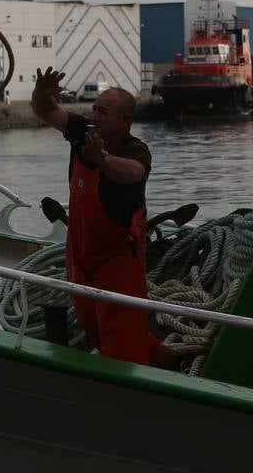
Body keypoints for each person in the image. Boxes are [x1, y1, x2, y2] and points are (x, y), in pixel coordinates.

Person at [30, 67, 169, 367]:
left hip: (117, 260)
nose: (95, 114)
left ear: (125, 121)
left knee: (123, 336)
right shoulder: (82, 131)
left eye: (103, 111)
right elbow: (46, 111)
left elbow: (134, 173)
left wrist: (102, 159)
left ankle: (139, 382)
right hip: (79, 252)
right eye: (94, 108)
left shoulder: (135, 150)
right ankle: (163, 358)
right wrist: (42, 92)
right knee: (94, 325)